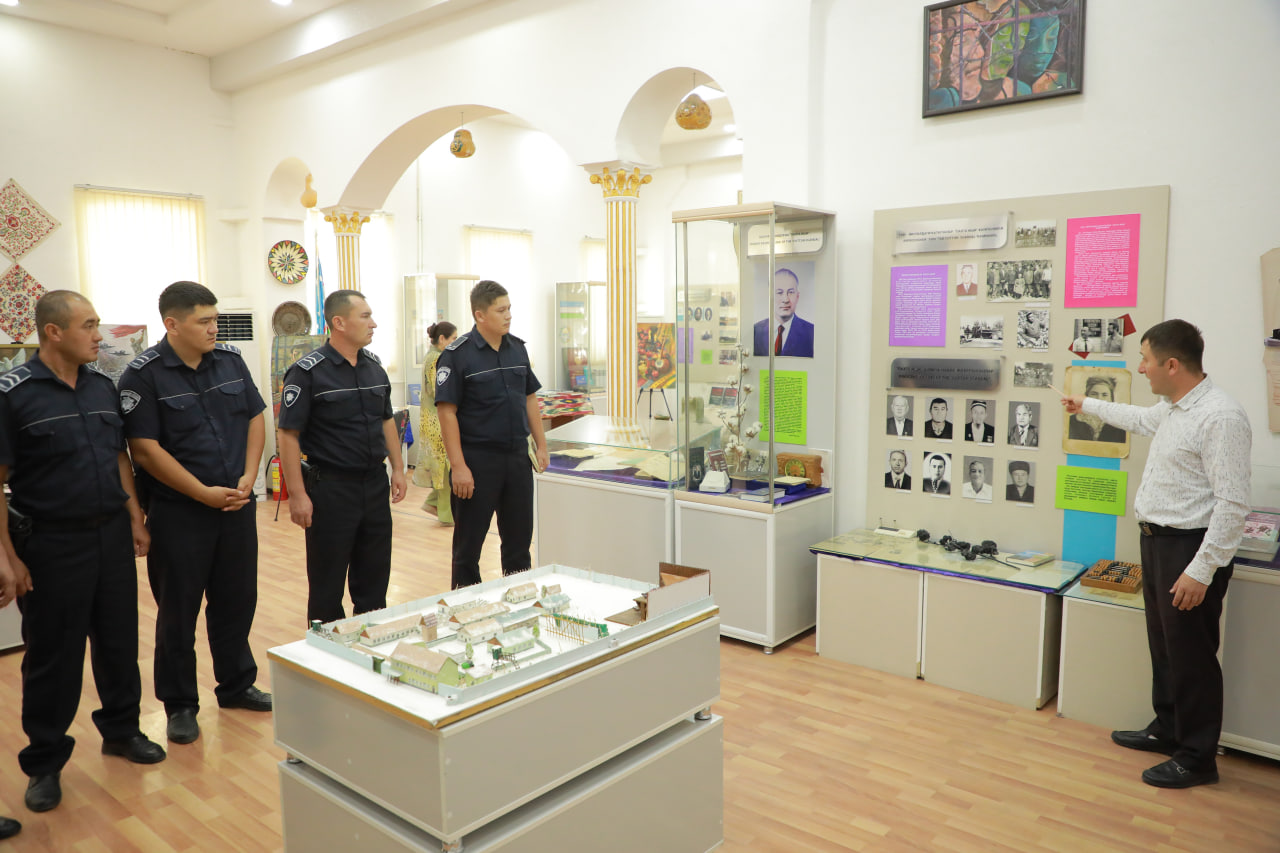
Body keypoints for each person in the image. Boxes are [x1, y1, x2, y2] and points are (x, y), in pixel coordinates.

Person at [1062, 319, 1251, 788]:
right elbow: (1139, 419)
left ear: (1171, 365)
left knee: (1192, 656)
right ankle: (1168, 730)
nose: (1140, 368)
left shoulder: (1220, 417)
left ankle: (1197, 757)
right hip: (1158, 542)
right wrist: (1086, 404)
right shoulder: (1172, 408)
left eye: (1145, 359)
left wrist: (1201, 571)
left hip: (1189, 549)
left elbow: (1232, 504)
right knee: (1165, 647)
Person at [0, 291, 166, 815]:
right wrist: (7, 558)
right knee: (54, 655)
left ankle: (121, 730)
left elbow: (119, 457)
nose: (99, 335)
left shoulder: (101, 385)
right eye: (89, 325)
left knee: (118, 641)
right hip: (51, 543)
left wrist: (134, 518)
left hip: (110, 534)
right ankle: (45, 762)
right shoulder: (14, 394)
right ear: (54, 332)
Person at [118, 282, 272, 746]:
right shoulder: (142, 375)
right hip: (180, 513)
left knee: (237, 600)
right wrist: (202, 493)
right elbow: (144, 450)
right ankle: (180, 703)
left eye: (215, 319)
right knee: (178, 612)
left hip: (236, 506)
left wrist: (250, 476)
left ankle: (237, 683)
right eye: (204, 321)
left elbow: (255, 416)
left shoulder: (229, 360)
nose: (214, 328)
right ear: (172, 324)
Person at [278, 290, 407, 623]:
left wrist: (398, 468)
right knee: (327, 584)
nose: (373, 323)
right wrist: (297, 495)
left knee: (374, 579)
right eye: (365, 316)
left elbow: (386, 419)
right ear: (339, 322)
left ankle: (370, 642)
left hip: (374, 484)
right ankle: (325, 650)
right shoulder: (308, 373)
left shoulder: (374, 368)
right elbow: (288, 435)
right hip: (331, 488)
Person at [436, 280, 549, 589]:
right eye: (501, 310)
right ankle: (467, 608)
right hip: (477, 461)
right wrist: (458, 466)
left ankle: (519, 602)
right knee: (468, 549)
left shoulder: (517, 348)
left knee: (519, 544)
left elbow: (529, 398)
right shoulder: (457, 355)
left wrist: (541, 445)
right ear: (480, 315)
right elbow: (447, 413)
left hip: (516, 459)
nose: (508, 315)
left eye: (509, 308)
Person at [414, 321, 458, 525]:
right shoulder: (437, 359)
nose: (455, 343)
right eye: (453, 339)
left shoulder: (431, 356)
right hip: (437, 422)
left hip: (432, 420)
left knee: (444, 468)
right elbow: (439, 390)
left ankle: (433, 503)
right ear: (442, 339)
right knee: (446, 470)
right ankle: (447, 516)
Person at [752, 268, 815, 358]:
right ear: (769, 296)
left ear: (797, 296)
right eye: (779, 292)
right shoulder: (755, 331)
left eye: (790, 292)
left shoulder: (811, 332)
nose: (785, 299)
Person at [1068, 375, 1127, 443]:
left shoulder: (1121, 424)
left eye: (1104, 395)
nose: (1099, 399)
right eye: (1094, 394)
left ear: (1111, 399)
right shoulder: (1072, 421)